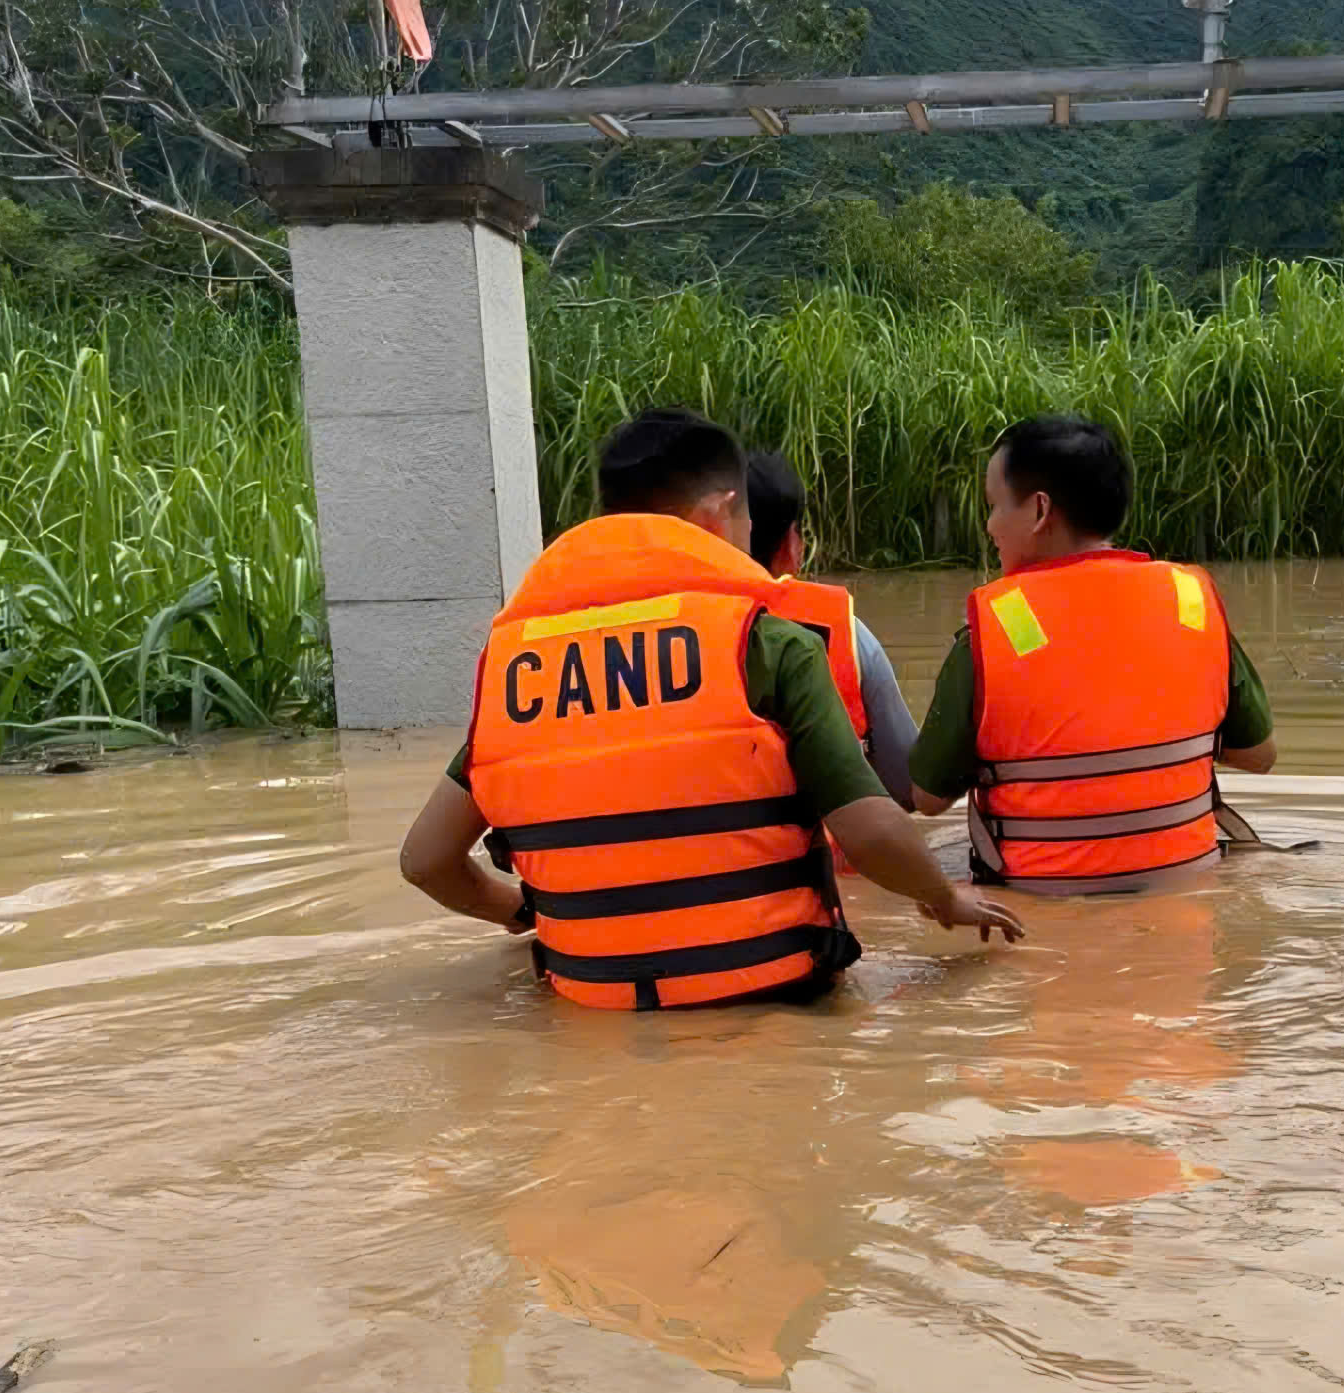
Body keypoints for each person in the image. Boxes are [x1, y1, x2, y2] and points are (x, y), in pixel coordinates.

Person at [400, 408, 1023, 1009]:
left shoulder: (514, 669)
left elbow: (426, 861)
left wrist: (519, 912)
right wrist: (944, 899)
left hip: (592, 1010)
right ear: (720, 514)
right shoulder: (767, 643)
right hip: (772, 1004)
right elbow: (872, 833)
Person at [908, 415, 1279, 894]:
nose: (989, 525)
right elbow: (1259, 755)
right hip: (1188, 902)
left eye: (994, 505)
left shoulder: (997, 626)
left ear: (1039, 510)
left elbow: (928, 797)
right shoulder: (1190, 602)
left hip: (1040, 910)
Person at [743, 449, 919, 810]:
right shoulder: (848, 633)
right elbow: (909, 786)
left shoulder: (659, 636)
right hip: (830, 845)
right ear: (791, 544)